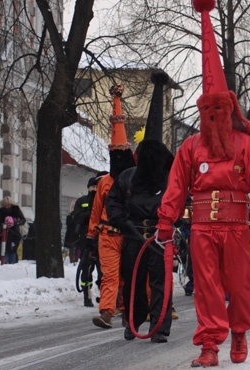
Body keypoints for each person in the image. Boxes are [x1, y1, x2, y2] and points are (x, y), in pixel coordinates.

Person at [156, 2, 250, 366]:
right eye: (207, 111)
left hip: (238, 227)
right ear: (202, 112)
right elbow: (176, 185)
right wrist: (166, 218)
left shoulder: (245, 145)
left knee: (240, 287)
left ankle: (238, 333)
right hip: (203, 227)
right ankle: (209, 346)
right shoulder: (190, 147)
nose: (213, 116)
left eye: (219, 110)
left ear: (229, 109)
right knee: (206, 290)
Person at [107, 70, 175, 343]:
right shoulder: (127, 177)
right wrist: (121, 221)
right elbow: (113, 200)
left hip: (160, 236)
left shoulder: (170, 180)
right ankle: (134, 320)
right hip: (133, 234)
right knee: (133, 280)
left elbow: (182, 201)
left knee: (161, 283)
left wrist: (172, 224)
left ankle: (159, 325)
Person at [89, 84, 136, 329]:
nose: (117, 160)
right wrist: (90, 234)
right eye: (114, 156)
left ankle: (130, 311)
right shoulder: (104, 182)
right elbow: (97, 210)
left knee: (128, 277)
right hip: (107, 235)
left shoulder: (135, 180)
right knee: (109, 276)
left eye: (121, 156)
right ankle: (106, 311)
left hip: (129, 235)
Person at [74, 173, 107, 307]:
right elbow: (77, 217)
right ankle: (86, 295)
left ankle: (104, 296)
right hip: (86, 239)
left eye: (96, 186)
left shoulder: (105, 201)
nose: (94, 189)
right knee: (86, 268)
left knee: (103, 269)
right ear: (88, 187)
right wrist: (91, 214)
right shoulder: (82, 201)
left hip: (102, 239)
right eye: (92, 186)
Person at [0, 196, 27, 264]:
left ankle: (13, 262)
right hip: (4, 232)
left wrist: (15, 222)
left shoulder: (16, 209)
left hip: (14, 231)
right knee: (5, 249)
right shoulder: (1, 210)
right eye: (6, 205)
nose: (7, 207)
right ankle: (5, 263)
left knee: (13, 249)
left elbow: (23, 220)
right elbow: (0, 221)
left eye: (9, 205)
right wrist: (4, 224)